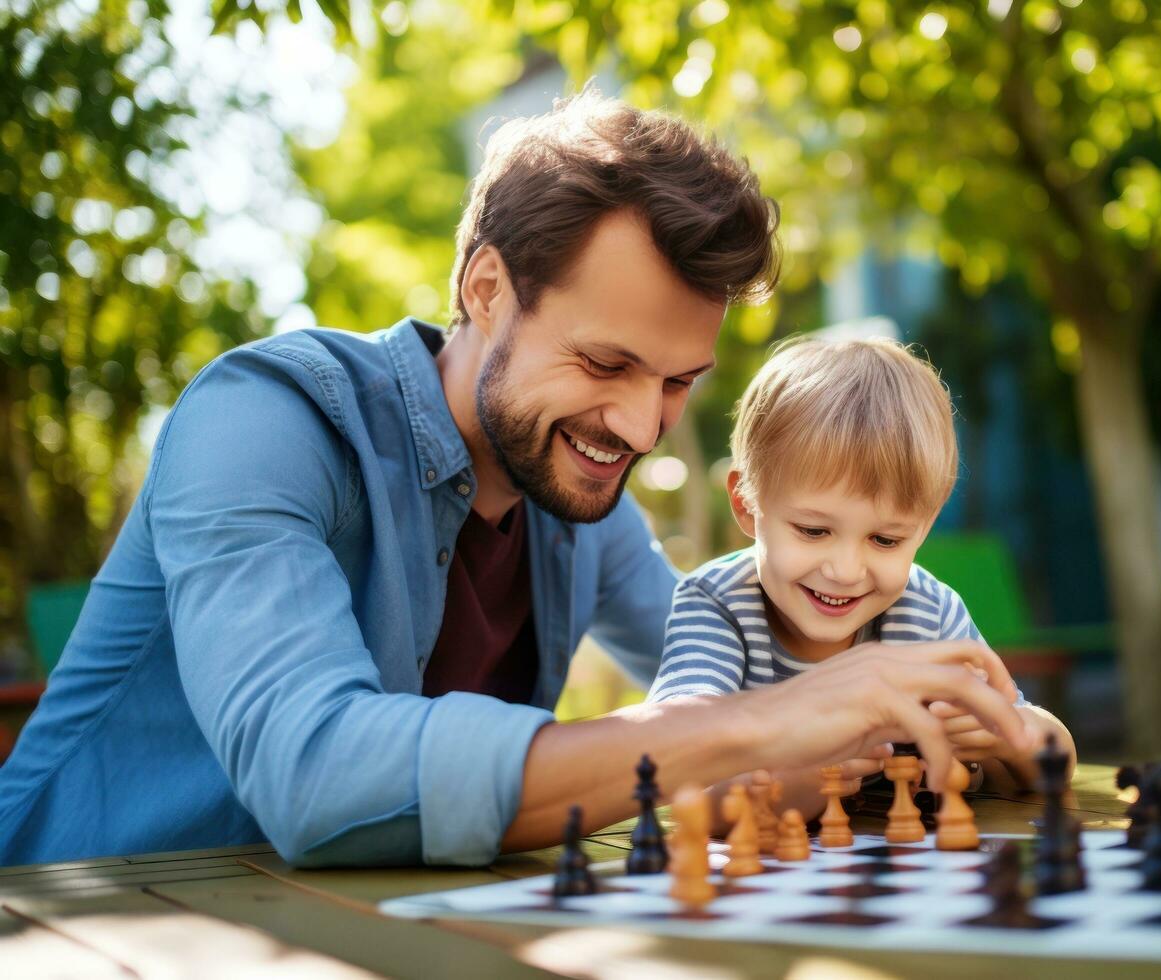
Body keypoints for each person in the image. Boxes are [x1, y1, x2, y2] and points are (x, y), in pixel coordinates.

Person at [0, 89, 1031, 868]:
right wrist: (761, 725)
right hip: (78, 915)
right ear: (486, 287)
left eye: (677, 380)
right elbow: (310, 773)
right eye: (605, 362)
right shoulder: (259, 421)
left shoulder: (575, 492)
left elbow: (741, 663)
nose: (638, 425)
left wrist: (906, 708)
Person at [648, 338, 1073, 804]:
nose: (846, 571)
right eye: (813, 531)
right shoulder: (716, 606)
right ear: (746, 504)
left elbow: (1051, 763)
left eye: (885, 540)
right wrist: (779, 790)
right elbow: (673, 765)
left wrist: (1011, 736)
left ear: (924, 527)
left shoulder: (929, 613)